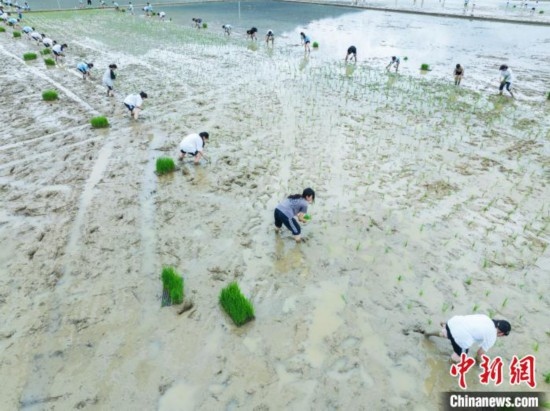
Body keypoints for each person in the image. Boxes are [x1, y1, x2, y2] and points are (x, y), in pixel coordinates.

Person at [425, 314, 511, 363]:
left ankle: (427, 333)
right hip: (460, 335)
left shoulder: (485, 318)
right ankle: (448, 368)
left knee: (449, 333)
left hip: (453, 321)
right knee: (461, 357)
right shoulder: (492, 336)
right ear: (502, 333)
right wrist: (480, 363)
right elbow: (479, 353)